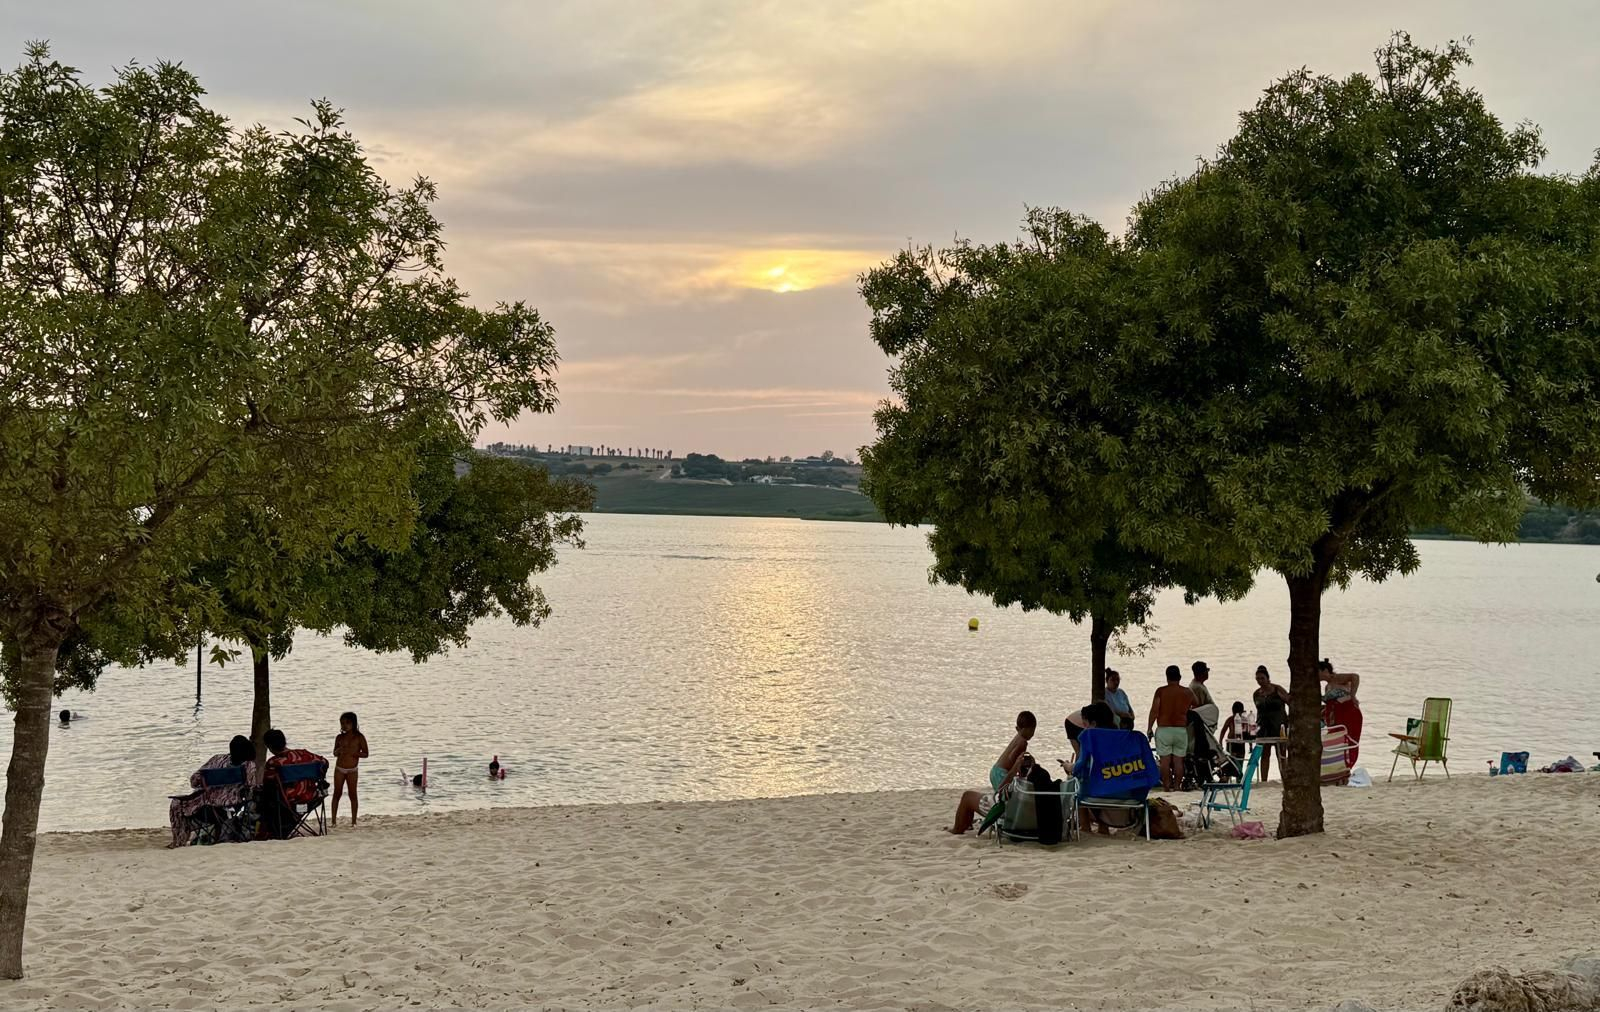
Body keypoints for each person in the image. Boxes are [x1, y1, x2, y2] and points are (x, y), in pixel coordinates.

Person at [948, 710, 1036, 834]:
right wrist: (1016, 766)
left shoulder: (1018, 737)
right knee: (1001, 795)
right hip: (1002, 772)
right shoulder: (1023, 743)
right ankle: (968, 822)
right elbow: (1012, 759)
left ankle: (965, 824)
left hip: (997, 769)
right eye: (1031, 730)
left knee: (997, 796)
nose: (1032, 733)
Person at [168, 735, 256, 848]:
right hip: (234, 808)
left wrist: (203, 782)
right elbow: (251, 787)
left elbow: (194, 780)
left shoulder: (218, 760)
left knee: (177, 804)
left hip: (207, 808)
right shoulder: (249, 766)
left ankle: (179, 840)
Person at [261, 728, 328, 839]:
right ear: (284, 741)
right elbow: (325, 762)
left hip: (288, 800)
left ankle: (274, 831)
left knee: (266, 797)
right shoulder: (305, 755)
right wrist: (318, 778)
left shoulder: (274, 762)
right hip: (312, 797)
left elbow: (267, 782)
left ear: (269, 747)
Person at [1147, 665, 1197, 791]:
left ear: (1167, 677)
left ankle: (1166, 787)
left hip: (1164, 729)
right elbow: (1197, 704)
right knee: (1178, 761)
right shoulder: (1187, 692)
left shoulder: (1161, 691)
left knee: (1165, 761)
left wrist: (1149, 727)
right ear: (1180, 677)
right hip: (1180, 729)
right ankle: (1177, 786)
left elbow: (1154, 711)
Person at [1319, 658, 1364, 765]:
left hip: (1348, 713)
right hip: (1336, 716)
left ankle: (1347, 765)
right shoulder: (1327, 687)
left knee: (1348, 740)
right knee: (1335, 741)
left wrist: (1353, 695)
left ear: (1325, 670)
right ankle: (1338, 766)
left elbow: (1355, 676)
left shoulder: (1337, 678)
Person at [1252, 666, 1290, 783]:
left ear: (1268, 678)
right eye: (1258, 679)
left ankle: (1285, 779)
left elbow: (1290, 702)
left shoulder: (1277, 689)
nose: (1260, 681)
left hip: (1279, 725)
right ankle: (1264, 780)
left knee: (1281, 754)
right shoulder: (1256, 694)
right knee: (1265, 754)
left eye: (1262, 678)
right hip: (1263, 727)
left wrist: (1289, 720)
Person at [331, 711, 369, 828]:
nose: (344, 726)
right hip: (340, 768)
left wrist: (355, 753)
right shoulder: (339, 737)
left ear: (353, 723)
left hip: (352, 769)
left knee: (353, 794)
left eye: (347, 723)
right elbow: (334, 753)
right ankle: (333, 821)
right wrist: (339, 751)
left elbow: (366, 753)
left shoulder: (359, 737)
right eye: (342, 723)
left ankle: (353, 821)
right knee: (337, 793)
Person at [1218, 701, 1255, 779]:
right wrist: (1220, 742)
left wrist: (1220, 741)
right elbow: (1223, 730)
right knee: (1235, 761)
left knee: (1235, 761)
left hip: (1237, 743)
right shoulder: (1236, 719)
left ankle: (1237, 777)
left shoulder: (1237, 719)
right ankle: (1236, 777)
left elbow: (1223, 731)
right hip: (1235, 744)